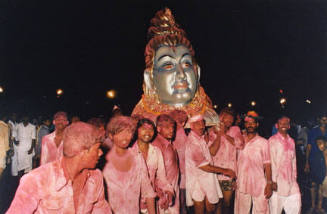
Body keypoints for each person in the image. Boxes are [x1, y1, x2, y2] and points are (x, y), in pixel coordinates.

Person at [132, 8, 218, 127]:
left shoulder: (211, 117)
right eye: (168, 65)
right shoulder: (144, 124)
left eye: (186, 64)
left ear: (197, 72)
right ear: (150, 78)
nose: (181, 74)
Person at [6, 122, 111, 213]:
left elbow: (101, 210)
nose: (101, 153)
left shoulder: (95, 178)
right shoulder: (36, 180)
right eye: (97, 148)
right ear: (82, 151)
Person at [103, 116, 156, 214]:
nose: (125, 136)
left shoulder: (137, 157)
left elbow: (148, 191)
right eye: (120, 132)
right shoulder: (103, 161)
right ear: (111, 136)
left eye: (128, 132)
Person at [185, 114, 236, 214]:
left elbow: (211, 151)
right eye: (197, 124)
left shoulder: (200, 138)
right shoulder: (193, 142)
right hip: (197, 181)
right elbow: (203, 166)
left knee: (211, 207)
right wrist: (225, 171)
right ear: (191, 126)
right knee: (200, 208)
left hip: (208, 179)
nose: (201, 126)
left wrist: (220, 135)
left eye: (202, 123)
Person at [132, 118, 174, 213]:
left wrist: (168, 192)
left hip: (152, 202)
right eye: (144, 128)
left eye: (151, 129)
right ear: (136, 130)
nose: (147, 132)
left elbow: (161, 177)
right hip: (134, 204)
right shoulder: (130, 153)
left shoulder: (156, 152)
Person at [234, 111, 272, 214]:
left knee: (261, 210)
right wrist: (234, 179)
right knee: (241, 211)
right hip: (242, 181)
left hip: (259, 182)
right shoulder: (239, 140)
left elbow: (268, 164)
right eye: (247, 122)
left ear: (257, 124)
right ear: (244, 124)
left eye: (253, 122)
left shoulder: (263, 142)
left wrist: (269, 184)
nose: (250, 125)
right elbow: (234, 161)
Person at [210, 108, 244, 214]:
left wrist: (224, 134)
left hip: (229, 173)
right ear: (221, 118)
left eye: (230, 121)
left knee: (227, 202)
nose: (228, 123)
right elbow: (212, 152)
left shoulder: (235, 130)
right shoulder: (212, 131)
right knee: (216, 202)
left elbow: (240, 144)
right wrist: (219, 134)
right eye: (226, 120)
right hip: (215, 173)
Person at [269, 116, 301, 214]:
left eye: (286, 123)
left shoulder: (291, 141)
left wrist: (294, 177)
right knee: (275, 210)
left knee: (296, 207)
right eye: (281, 123)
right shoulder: (272, 140)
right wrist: (272, 181)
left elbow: (293, 160)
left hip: (291, 181)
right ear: (277, 126)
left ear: (289, 126)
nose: (284, 125)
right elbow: (271, 161)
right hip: (277, 183)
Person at [152, 114, 180, 214]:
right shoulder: (157, 145)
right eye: (167, 127)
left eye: (172, 127)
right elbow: (153, 173)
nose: (171, 130)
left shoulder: (169, 142)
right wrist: (161, 193)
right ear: (158, 128)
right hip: (164, 193)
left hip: (172, 189)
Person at [169, 110, 189, 214]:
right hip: (179, 169)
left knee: (180, 200)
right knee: (181, 200)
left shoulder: (179, 133)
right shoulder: (177, 132)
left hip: (181, 169)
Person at [306, 136, 327, 214]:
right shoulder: (317, 155)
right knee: (314, 186)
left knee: (321, 189)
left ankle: (320, 207)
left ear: (326, 143)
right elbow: (315, 168)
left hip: (325, 177)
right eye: (318, 144)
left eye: (321, 143)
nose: (320, 145)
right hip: (320, 175)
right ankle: (313, 206)